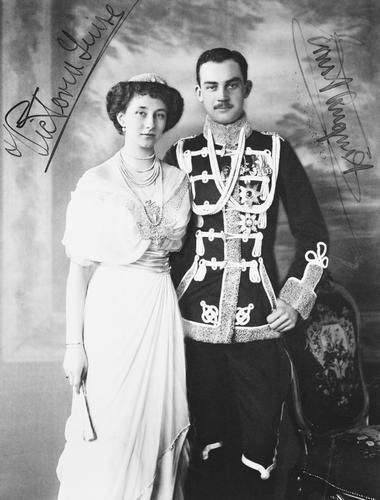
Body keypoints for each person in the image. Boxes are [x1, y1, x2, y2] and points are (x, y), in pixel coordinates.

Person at [164, 48, 329, 499]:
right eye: (211, 86)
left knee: (260, 449)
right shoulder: (180, 154)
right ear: (199, 92)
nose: (222, 95)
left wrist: (294, 299)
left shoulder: (274, 151)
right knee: (204, 445)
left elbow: (313, 231)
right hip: (191, 323)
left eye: (231, 84)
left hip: (260, 319)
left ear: (246, 88)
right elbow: (164, 242)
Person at [56, 73, 191, 500]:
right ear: (120, 116)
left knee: (156, 424)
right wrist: (73, 346)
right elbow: (79, 270)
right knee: (111, 429)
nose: (149, 124)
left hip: (159, 306)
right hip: (111, 312)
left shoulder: (177, 181)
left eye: (159, 115)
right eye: (140, 113)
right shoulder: (96, 183)